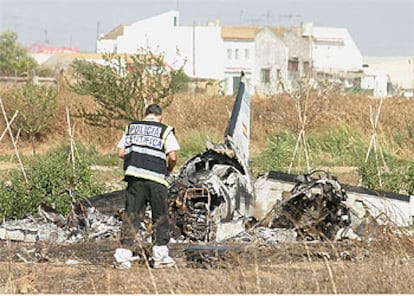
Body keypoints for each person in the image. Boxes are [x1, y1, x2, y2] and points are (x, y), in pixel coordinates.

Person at [116, 104, 180, 269]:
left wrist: (137, 158)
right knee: (160, 216)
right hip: (156, 180)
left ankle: (123, 257)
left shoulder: (132, 127)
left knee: (132, 216)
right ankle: (159, 257)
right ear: (160, 116)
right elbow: (172, 156)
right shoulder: (164, 130)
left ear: (145, 115)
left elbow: (121, 152)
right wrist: (168, 170)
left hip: (134, 178)